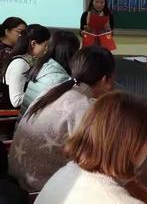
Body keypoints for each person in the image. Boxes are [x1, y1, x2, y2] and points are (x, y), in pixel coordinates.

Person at [9, 47, 115, 192]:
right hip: (38, 192)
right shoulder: (83, 108)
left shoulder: (52, 91)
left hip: (15, 178)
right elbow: (97, 162)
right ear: (105, 79)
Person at [20, 30, 80, 115]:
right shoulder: (60, 78)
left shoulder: (42, 66)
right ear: (71, 53)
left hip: (24, 124)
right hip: (37, 126)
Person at [1, 24, 51, 108]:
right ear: (33, 43)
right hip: (13, 115)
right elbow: (16, 101)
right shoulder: (20, 64)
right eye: (45, 46)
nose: (46, 50)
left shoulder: (26, 61)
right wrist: (45, 92)